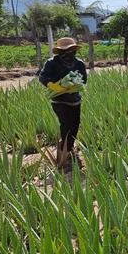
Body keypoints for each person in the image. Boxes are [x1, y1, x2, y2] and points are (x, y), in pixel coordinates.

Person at [38, 37, 88, 169]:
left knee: (75, 124)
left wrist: (75, 86)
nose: (69, 53)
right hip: (59, 100)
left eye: (72, 50)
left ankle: (69, 148)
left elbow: (84, 79)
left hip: (75, 100)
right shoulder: (52, 63)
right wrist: (53, 86)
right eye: (66, 51)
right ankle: (62, 155)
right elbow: (43, 77)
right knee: (65, 125)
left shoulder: (79, 64)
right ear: (60, 52)